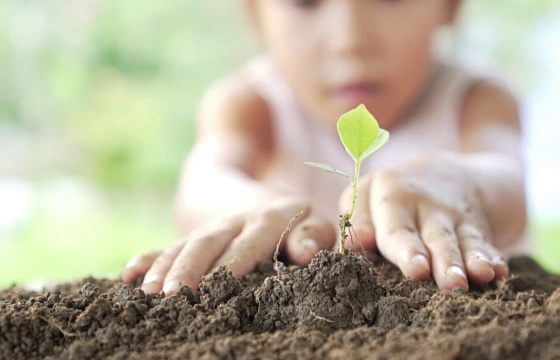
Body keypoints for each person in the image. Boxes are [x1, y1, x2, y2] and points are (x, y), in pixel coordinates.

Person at [121, 0, 527, 294]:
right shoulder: (250, 104)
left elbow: (507, 181)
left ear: (450, 6)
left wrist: (455, 182)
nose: (349, 39)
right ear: (255, 13)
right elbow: (205, 180)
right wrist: (251, 206)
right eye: (305, 2)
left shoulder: (477, 100)